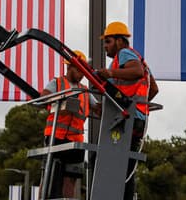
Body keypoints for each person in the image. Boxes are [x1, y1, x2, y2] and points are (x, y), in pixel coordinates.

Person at [96, 21, 159, 200]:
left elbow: (137, 72)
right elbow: (153, 90)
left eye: (108, 42)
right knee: (126, 166)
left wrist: (110, 74)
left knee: (106, 162)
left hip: (126, 120)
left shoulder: (124, 54)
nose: (106, 47)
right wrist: (135, 104)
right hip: (136, 119)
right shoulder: (140, 59)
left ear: (120, 41)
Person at [40, 50, 93, 199]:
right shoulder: (56, 83)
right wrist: (63, 100)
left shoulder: (85, 90)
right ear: (69, 67)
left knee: (71, 178)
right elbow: (43, 97)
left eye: (84, 71)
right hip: (55, 137)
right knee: (49, 175)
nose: (82, 74)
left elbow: (98, 108)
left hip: (76, 140)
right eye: (79, 70)